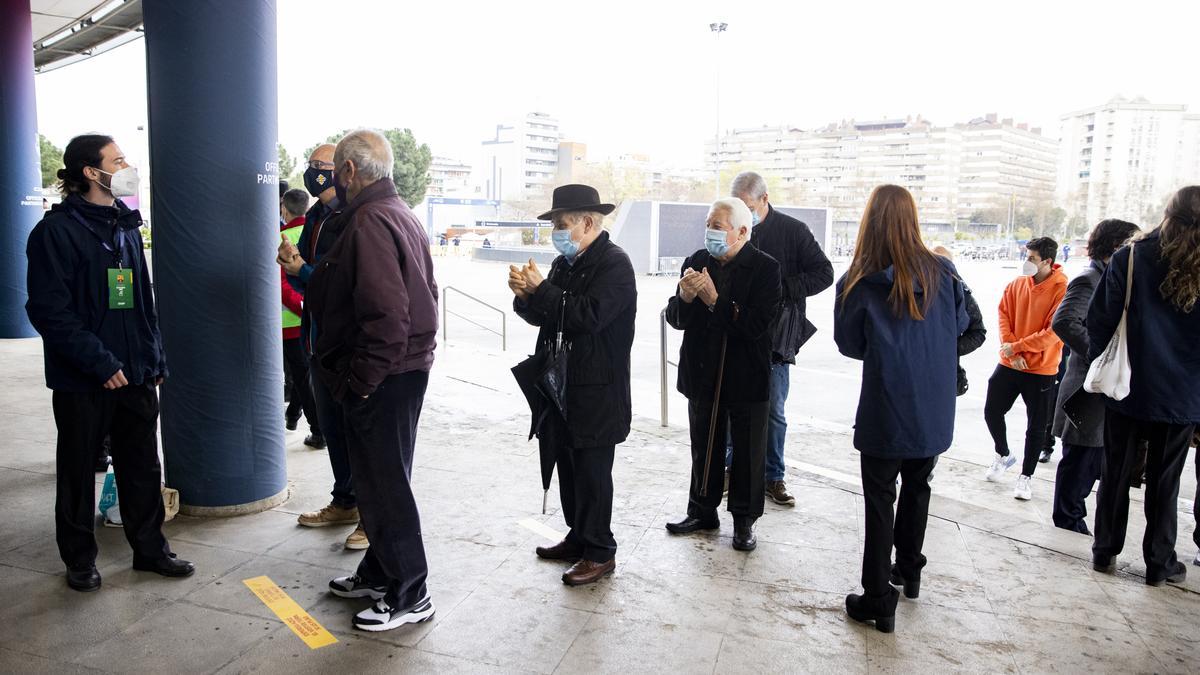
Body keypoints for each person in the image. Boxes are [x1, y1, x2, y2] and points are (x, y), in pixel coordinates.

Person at [25, 134, 195, 592]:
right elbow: (48, 311)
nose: (126, 167)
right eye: (117, 160)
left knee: (142, 465)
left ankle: (151, 550)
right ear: (90, 172)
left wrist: (153, 355)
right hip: (84, 379)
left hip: (135, 372)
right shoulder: (53, 232)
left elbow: (142, 301)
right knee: (79, 471)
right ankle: (80, 559)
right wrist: (99, 362)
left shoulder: (124, 227)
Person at [306, 130, 439, 631]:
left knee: (385, 487)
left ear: (348, 172)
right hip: (398, 372)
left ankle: (411, 592)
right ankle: (380, 573)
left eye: (334, 170)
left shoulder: (370, 221)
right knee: (379, 482)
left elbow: (388, 316)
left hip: (384, 376)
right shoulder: (395, 212)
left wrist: (360, 382)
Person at [834, 185, 968, 633]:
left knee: (879, 500)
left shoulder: (857, 280)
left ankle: (877, 597)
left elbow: (850, 345)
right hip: (933, 405)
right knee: (918, 485)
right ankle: (909, 570)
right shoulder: (943, 273)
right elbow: (966, 328)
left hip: (885, 406)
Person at [510, 184, 637, 586]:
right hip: (562, 384)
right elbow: (549, 316)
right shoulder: (566, 263)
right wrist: (526, 297)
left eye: (562, 225)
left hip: (597, 387)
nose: (556, 233)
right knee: (567, 463)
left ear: (587, 222)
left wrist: (542, 292)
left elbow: (589, 315)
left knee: (593, 471)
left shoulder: (615, 264)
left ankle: (600, 550)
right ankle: (578, 535)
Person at [1089, 186, 1200, 587]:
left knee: (1115, 469)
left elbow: (1099, 319)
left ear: (1167, 214)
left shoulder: (1132, 256)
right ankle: (1159, 562)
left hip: (1128, 384)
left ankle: (1105, 550)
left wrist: (1107, 359)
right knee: (1165, 480)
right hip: (1185, 392)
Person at [664, 198, 781, 551]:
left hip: (745, 376)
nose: (710, 232)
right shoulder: (696, 261)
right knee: (704, 445)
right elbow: (676, 319)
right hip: (702, 370)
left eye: (719, 226)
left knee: (747, 452)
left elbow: (757, 325)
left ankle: (744, 522)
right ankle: (702, 509)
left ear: (742, 231)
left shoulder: (765, 269)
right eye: (709, 224)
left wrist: (716, 301)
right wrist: (684, 298)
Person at [277, 144, 365, 550]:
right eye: (310, 166)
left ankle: (369, 513)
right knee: (331, 426)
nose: (314, 174)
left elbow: (347, 283)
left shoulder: (355, 218)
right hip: (318, 340)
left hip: (349, 346)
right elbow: (309, 285)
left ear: (344, 170)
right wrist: (294, 267)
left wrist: (305, 271)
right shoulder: (314, 217)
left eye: (323, 167)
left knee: (359, 433)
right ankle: (344, 500)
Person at [729, 171, 833, 506]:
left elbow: (824, 273)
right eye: (737, 206)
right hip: (735, 333)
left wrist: (783, 287)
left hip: (775, 339)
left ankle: (773, 475)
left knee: (773, 410)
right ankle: (730, 470)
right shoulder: (730, 227)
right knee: (732, 407)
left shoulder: (793, 231)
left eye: (747, 206)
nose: (742, 212)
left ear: (764, 199)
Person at [1049, 219, 1140, 534]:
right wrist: (1103, 357)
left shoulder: (1110, 278)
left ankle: (1072, 517)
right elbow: (1064, 322)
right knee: (1080, 460)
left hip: (1099, 388)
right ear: (1116, 247)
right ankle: (1068, 521)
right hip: (1086, 388)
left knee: (1090, 460)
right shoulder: (1090, 279)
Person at [983, 237, 1067, 501]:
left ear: (1047, 262)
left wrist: (1017, 347)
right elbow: (1003, 315)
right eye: (1026, 255)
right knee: (992, 410)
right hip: (1009, 362)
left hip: (1041, 369)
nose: (1026, 261)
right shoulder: (1017, 284)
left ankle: (1025, 477)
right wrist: (1010, 348)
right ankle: (1004, 454)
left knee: (1037, 427)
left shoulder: (1062, 288)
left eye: (1032, 258)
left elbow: (1054, 331)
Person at [280, 188, 323, 449]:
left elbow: (283, 286)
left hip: (291, 322)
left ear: (284, 208)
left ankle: (318, 430)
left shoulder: (282, 237)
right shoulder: (315, 233)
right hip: (311, 318)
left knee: (302, 375)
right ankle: (293, 416)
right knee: (303, 372)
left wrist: (303, 308)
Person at [932, 246, 986, 397]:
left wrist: (949, 348)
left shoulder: (961, 293)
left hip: (945, 374)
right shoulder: (915, 288)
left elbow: (978, 333)